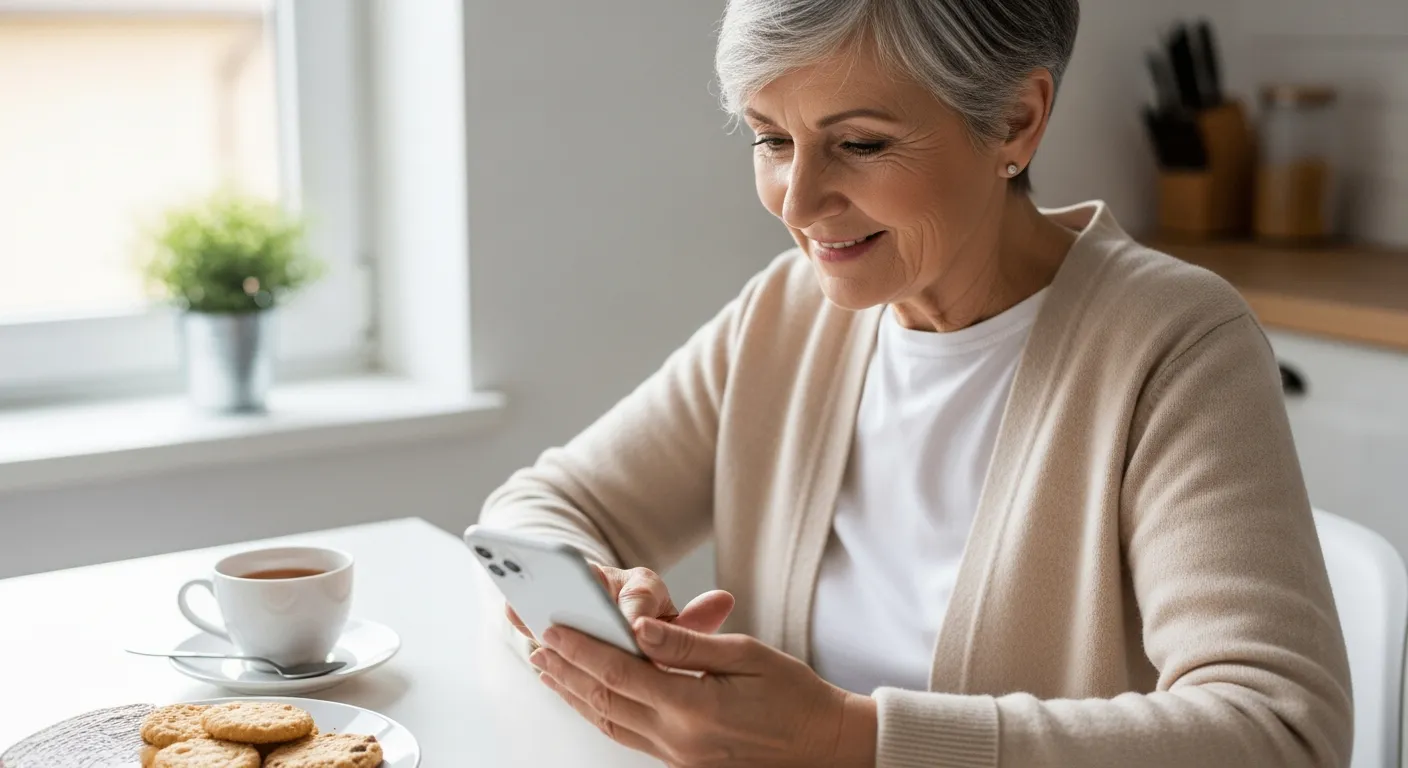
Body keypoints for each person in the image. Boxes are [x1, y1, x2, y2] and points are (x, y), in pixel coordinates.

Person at [476, 0, 1353, 765]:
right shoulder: (785, 317)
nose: (798, 200)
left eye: (859, 143)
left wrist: (847, 741)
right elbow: (539, 505)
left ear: (1015, 119)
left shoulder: (1174, 345)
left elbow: (1279, 732)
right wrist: (599, 599)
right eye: (772, 139)